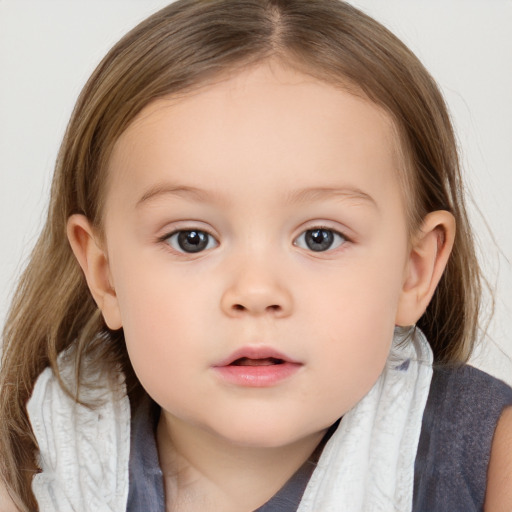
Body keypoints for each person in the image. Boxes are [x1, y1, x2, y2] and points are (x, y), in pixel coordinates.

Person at [1, 0, 511, 510]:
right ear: (105, 275)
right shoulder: (31, 470)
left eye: (320, 237)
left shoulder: (492, 458)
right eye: (191, 239)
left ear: (414, 270)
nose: (256, 292)